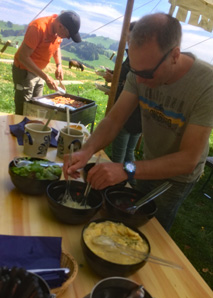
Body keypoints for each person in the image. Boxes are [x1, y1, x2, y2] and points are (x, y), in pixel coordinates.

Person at [63, 13, 213, 232]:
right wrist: (87, 151)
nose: (139, 80)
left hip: (178, 177)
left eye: (147, 73)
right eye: (135, 71)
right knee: (129, 218)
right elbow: (115, 119)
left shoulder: (206, 85)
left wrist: (127, 169)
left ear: (175, 55)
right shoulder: (141, 67)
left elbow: (188, 159)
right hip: (149, 159)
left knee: (153, 230)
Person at [12, 10, 81, 115]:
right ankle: (19, 129)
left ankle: (31, 128)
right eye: (68, 35)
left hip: (39, 72)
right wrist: (46, 77)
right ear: (61, 26)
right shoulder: (38, 28)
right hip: (24, 71)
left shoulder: (58, 33)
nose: (67, 38)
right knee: (24, 109)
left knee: (37, 106)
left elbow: (56, 47)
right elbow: (23, 57)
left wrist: (59, 65)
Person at [103, 22, 142, 166]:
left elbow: (130, 82)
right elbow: (127, 77)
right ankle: (131, 180)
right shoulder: (141, 56)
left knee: (118, 156)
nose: (126, 39)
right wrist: (115, 77)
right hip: (138, 114)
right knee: (129, 153)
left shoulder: (135, 55)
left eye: (128, 35)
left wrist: (114, 80)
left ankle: (117, 183)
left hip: (127, 113)